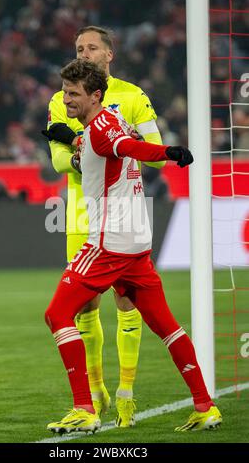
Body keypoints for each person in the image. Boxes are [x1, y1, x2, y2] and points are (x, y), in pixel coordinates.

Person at [44, 59, 222, 434]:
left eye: (73, 94)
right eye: (64, 91)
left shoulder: (106, 133)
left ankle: (85, 408)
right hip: (136, 245)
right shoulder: (108, 121)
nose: (66, 98)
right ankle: (205, 406)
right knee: (168, 327)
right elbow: (105, 142)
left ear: (95, 96)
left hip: (108, 244)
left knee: (57, 315)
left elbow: (128, 148)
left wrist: (170, 153)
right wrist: (66, 133)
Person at [42, 26, 166, 427]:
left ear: (109, 55)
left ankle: (127, 391)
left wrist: (116, 141)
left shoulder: (131, 96)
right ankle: (95, 392)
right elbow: (60, 162)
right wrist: (88, 146)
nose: (86, 52)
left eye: (92, 47)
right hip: (80, 212)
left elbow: (159, 156)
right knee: (83, 308)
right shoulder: (62, 99)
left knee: (128, 303)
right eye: (79, 47)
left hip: (125, 211)